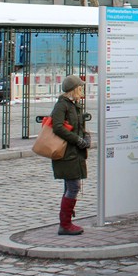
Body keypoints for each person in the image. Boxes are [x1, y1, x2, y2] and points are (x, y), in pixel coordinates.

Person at [51, 75, 90, 236]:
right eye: (80, 88)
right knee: (73, 186)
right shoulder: (62, 105)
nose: (82, 91)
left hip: (75, 153)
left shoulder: (74, 105)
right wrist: (78, 140)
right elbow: (58, 127)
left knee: (71, 186)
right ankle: (65, 224)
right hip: (67, 153)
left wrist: (86, 137)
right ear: (74, 89)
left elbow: (79, 126)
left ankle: (66, 222)